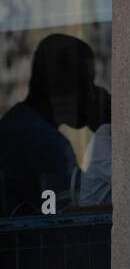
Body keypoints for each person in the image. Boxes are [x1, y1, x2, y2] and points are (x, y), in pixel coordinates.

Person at [0, 34, 90, 216]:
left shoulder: (14, 124)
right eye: (85, 81)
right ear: (61, 84)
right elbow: (70, 226)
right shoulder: (48, 144)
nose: (91, 93)